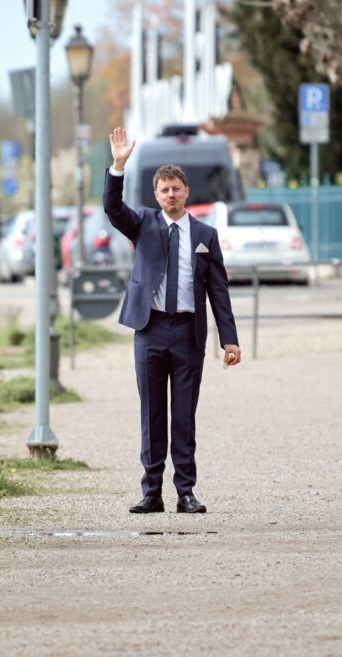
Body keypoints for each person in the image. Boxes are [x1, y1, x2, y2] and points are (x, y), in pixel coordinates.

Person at [104, 127, 240, 515]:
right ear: (156, 195)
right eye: (164, 190)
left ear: (186, 192)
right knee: (152, 414)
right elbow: (112, 209)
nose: (170, 195)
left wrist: (229, 339)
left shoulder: (205, 235)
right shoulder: (143, 224)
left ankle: (186, 491)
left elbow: (219, 292)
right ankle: (151, 492)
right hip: (150, 330)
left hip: (187, 334)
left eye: (176, 189)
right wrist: (118, 166)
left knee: (183, 415)